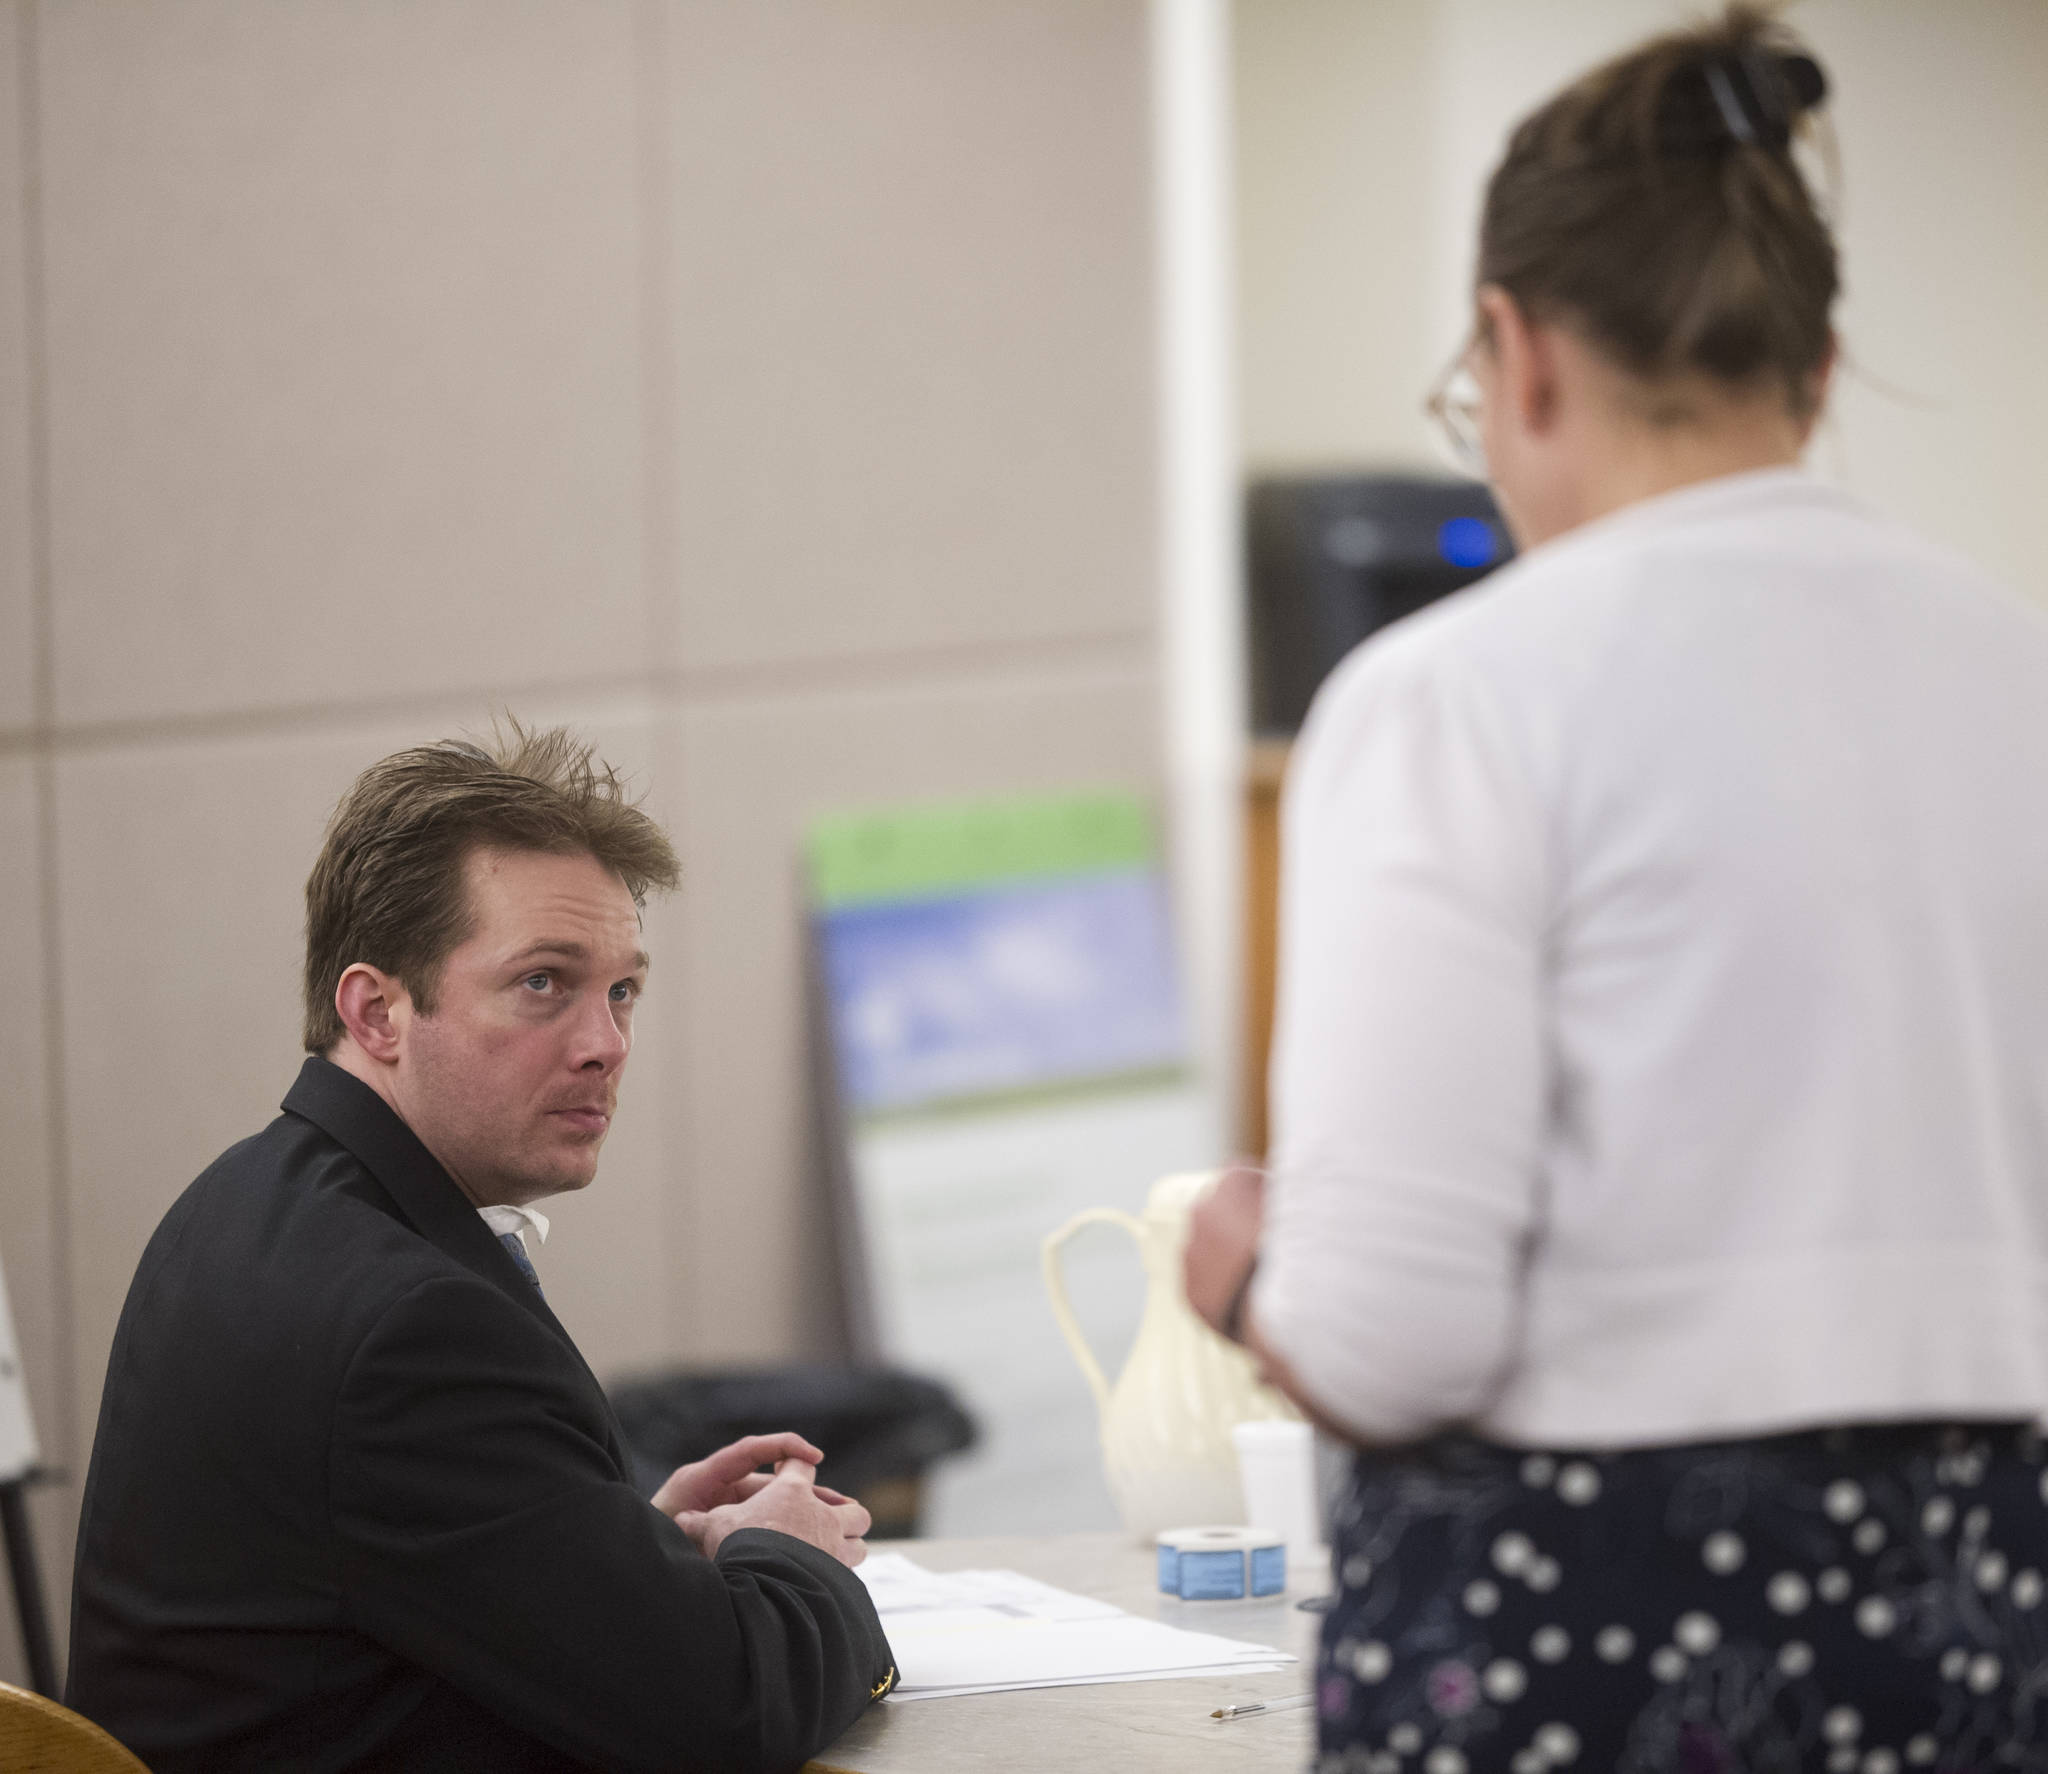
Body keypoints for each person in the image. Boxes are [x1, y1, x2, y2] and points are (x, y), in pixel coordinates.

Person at [1185, 9, 2048, 1771]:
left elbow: (1396, 1336)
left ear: (1515, 350)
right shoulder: (2015, 668)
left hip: (1585, 1620)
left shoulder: (1455, 695)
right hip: (1982, 1600)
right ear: (1813, 367)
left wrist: (1242, 1267)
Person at [67, 724, 896, 1773]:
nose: (605, 1042)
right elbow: (729, 1717)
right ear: (376, 1010)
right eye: (543, 982)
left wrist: (617, 1546)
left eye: (622, 988)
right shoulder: (409, 1328)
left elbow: (378, 1585)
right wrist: (795, 1554)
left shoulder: (235, 1202)